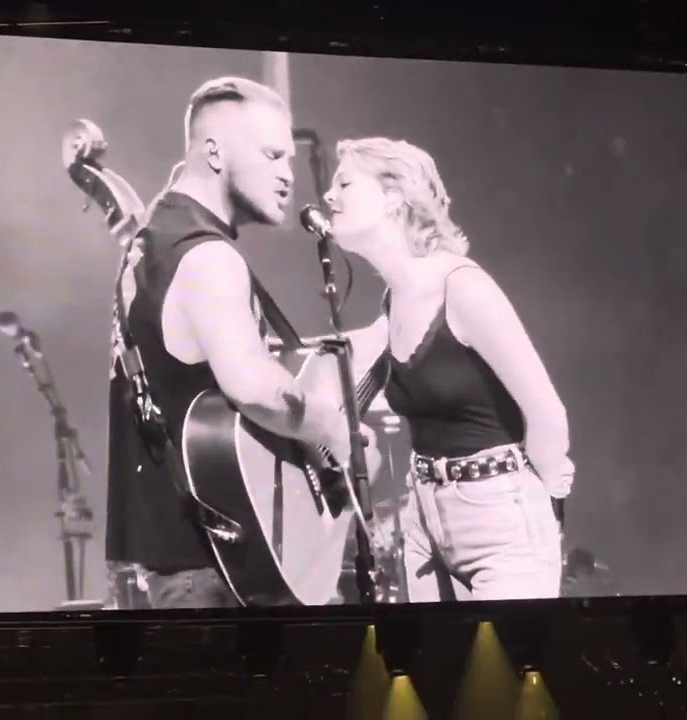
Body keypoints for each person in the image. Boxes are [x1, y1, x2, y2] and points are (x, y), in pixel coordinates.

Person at [104, 77, 374, 609]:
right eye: (272, 155)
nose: (287, 175)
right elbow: (257, 390)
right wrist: (335, 429)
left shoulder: (153, 245)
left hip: (185, 566)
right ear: (214, 152)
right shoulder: (207, 257)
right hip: (217, 575)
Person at [321, 136, 574, 601]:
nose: (328, 196)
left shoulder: (464, 287)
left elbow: (546, 412)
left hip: (499, 519)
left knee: (503, 669)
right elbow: (339, 360)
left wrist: (545, 490)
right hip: (423, 519)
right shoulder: (393, 300)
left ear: (394, 196)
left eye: (344, 183)